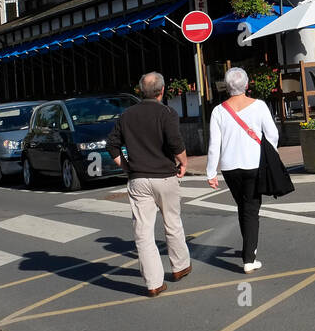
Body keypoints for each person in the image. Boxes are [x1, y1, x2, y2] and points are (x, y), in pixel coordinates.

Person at [107, 71, 190, 297]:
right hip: (164, 176)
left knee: (143, 232)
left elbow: (112, 145)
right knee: (172, 222)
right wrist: (183, 162)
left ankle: (153, 283)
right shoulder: (167, 113)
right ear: (162, 91)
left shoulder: (126, 115)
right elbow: (175, 142)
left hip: (138, 179)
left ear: (140, 92)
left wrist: (125, 166)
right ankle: (179, 267)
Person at [206, 67, 279, 273]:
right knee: (251, 209)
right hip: (253, 164)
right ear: (247, 85)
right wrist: (269, 155)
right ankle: (249, 258)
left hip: (230, 168)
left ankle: (248, 248)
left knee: (243, 207)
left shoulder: (218, 111)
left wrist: (211, 172)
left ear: (227, 87)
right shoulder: (260, 106)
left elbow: (214, 145)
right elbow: (272, 135)